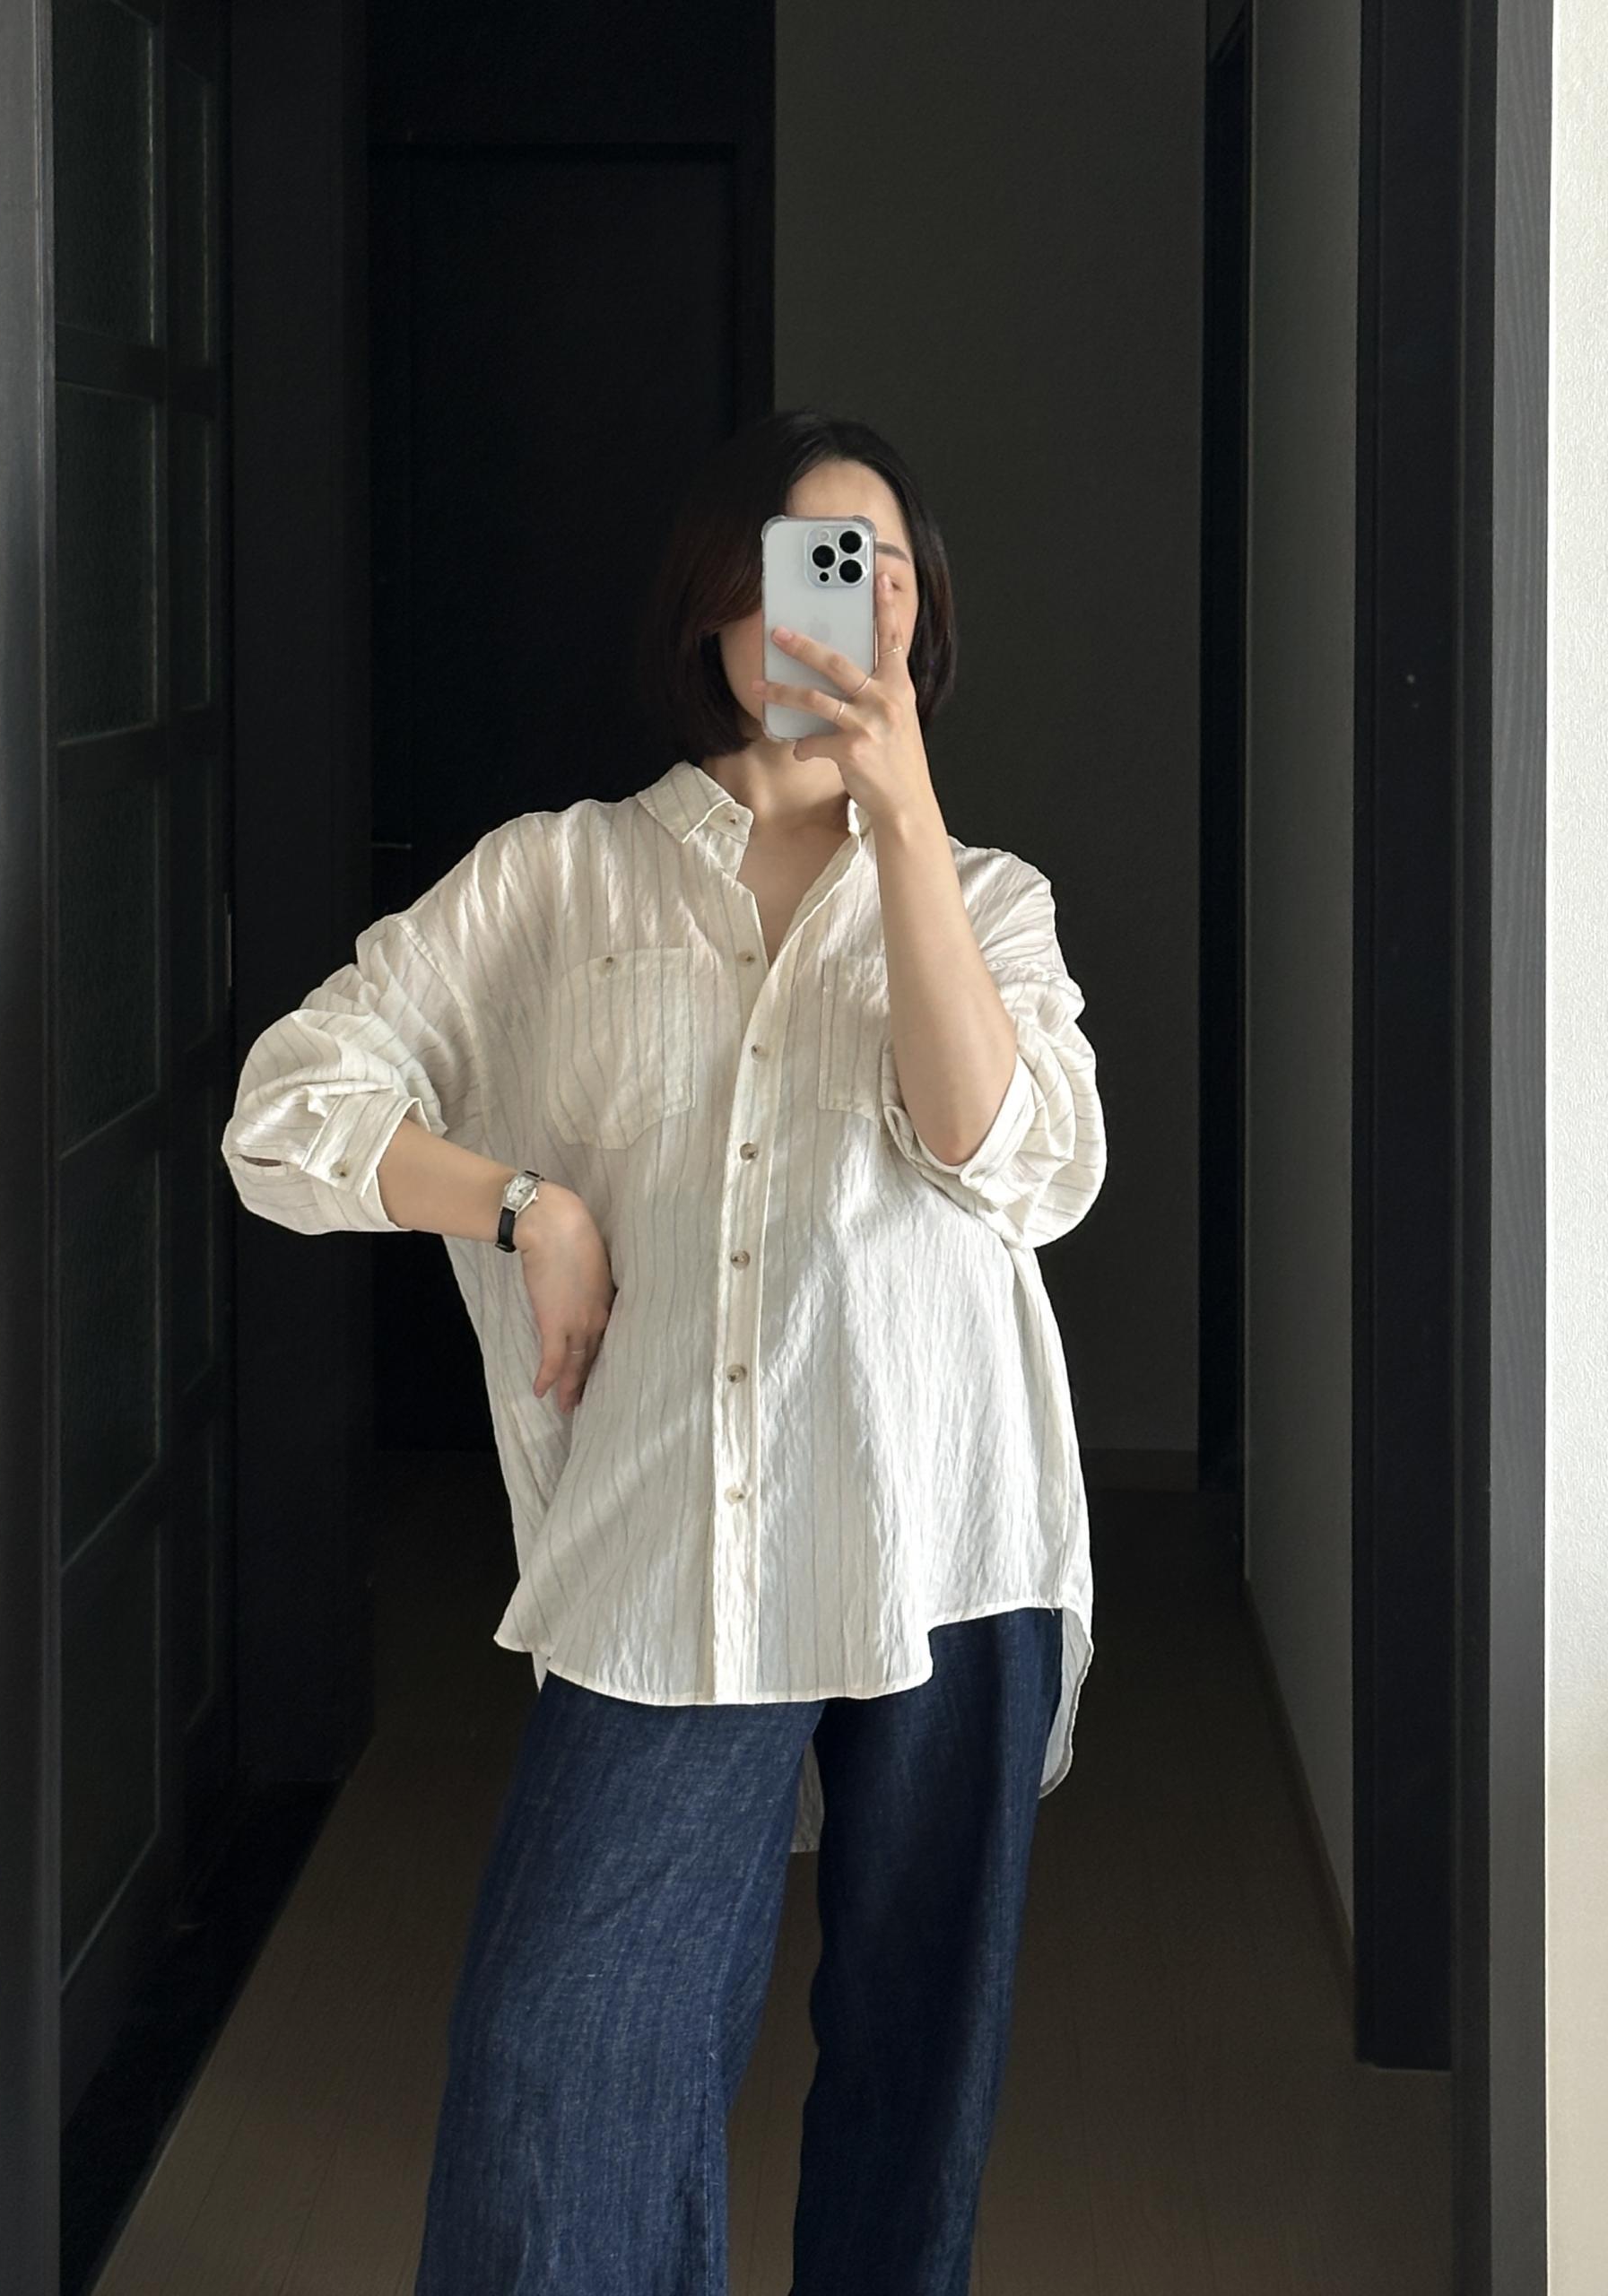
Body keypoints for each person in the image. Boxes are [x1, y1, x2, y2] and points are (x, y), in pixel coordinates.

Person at [219, 407, 1108, 2296]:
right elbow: (286, 1113)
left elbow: (1007, 1154)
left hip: (952, 1546)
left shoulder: (988, 897)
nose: (851, 611)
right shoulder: (556, 885)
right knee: (556, 2073)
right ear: (718, 601)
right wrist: (522, 1203)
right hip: (677, 1555)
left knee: (914, 2084)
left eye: (885, 573)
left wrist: (903, 815)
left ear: (924, 617)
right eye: (810, 566)